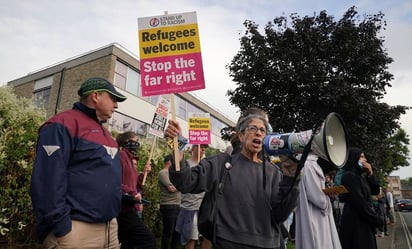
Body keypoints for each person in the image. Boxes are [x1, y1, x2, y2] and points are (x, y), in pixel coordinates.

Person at [165, 114, 299, 249]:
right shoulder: (221, 163)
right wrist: (178, 149)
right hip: (228, 242)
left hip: (266, 243)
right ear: (241, 136)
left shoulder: (275, 172)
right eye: (253, 128)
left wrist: (291, 179)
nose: (258, 133)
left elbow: (280, 214)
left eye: (262, 131)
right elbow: (185, 181)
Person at [30, 77, 127, 248]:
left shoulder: (107, 135)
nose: (116, 105)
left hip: (109, 228)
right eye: (113, 98)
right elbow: (47, 181)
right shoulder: (61, 124)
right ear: (95, 96)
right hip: (75, 231)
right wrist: (61, 227)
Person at [116, 131, 156, 249]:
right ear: (128, 142)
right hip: (123, 209)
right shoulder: (121, 156)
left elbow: (135, 186)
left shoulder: (131, 160)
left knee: (127, 244)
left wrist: (143, 174)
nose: (138, 144)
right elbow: (116, 182)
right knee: (148, 240)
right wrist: (133, 193)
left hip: (131, 208)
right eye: (136, 141)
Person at [338, 147, 384, 249]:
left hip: (363, 221)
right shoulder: (349, 176)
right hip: (355, 224)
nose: (365, 160)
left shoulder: (360, 176)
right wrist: (376, 219)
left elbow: (375, 191)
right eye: (362, 157)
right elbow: (359, 202)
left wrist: (371, 173)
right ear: (353, 158)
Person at [295, 153, 342, 249]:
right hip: (315, 214)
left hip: (315, 212)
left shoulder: (307, 163)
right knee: (318, 241)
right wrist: (326, 200)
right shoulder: (308, 164)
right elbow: (317, 197)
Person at [175, 144, 212, 249]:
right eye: (199, 146)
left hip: (205, 208)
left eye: (205, 147)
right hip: (190, 208)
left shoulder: (207, 165)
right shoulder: (186, 165)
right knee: (191, 238)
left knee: (207, 237)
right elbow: (180, 184)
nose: (203, 149)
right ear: (192, 149)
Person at [158, 154, 181, 249]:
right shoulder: (163, 172)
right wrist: (182, 185)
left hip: (177, 205)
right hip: (168, 205)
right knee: (168, 231)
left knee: (177, 232)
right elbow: (172, 188)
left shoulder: (173, 173)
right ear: (170, 162)